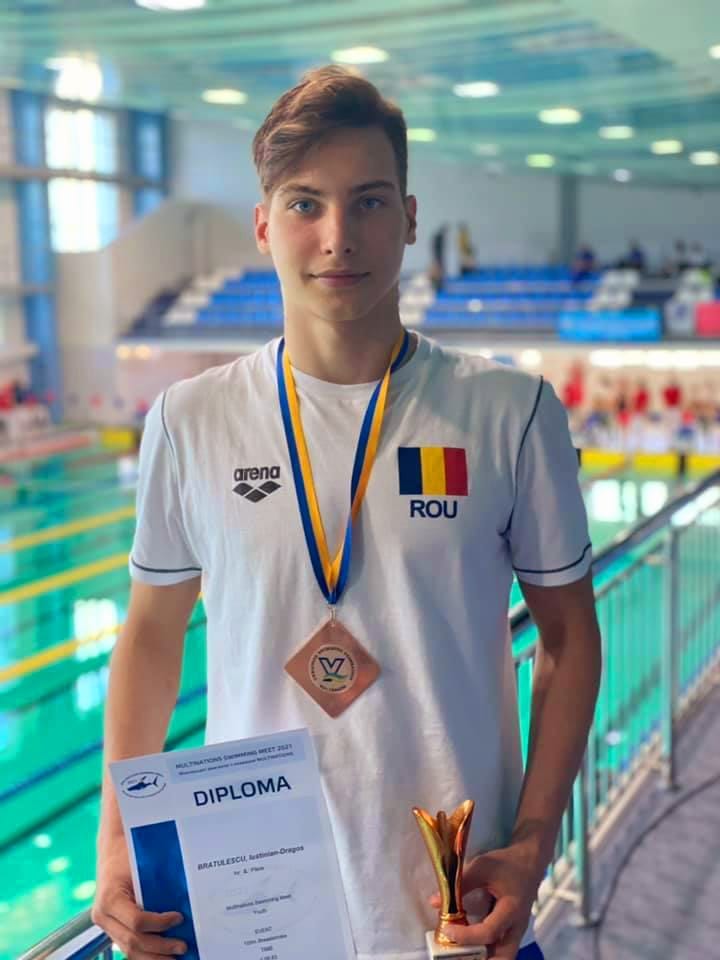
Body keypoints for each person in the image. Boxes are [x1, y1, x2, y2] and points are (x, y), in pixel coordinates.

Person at [92, 66, 602, 960]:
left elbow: (568, 635)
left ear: (408, 218)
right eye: (305, 204)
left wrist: (534, 839)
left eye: (368, 202)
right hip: (255, 913)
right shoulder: (189, 420)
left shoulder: (508, 413)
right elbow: (151, 637)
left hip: (456, 909)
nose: (338, 237)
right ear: (263, 225)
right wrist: (114, 841)